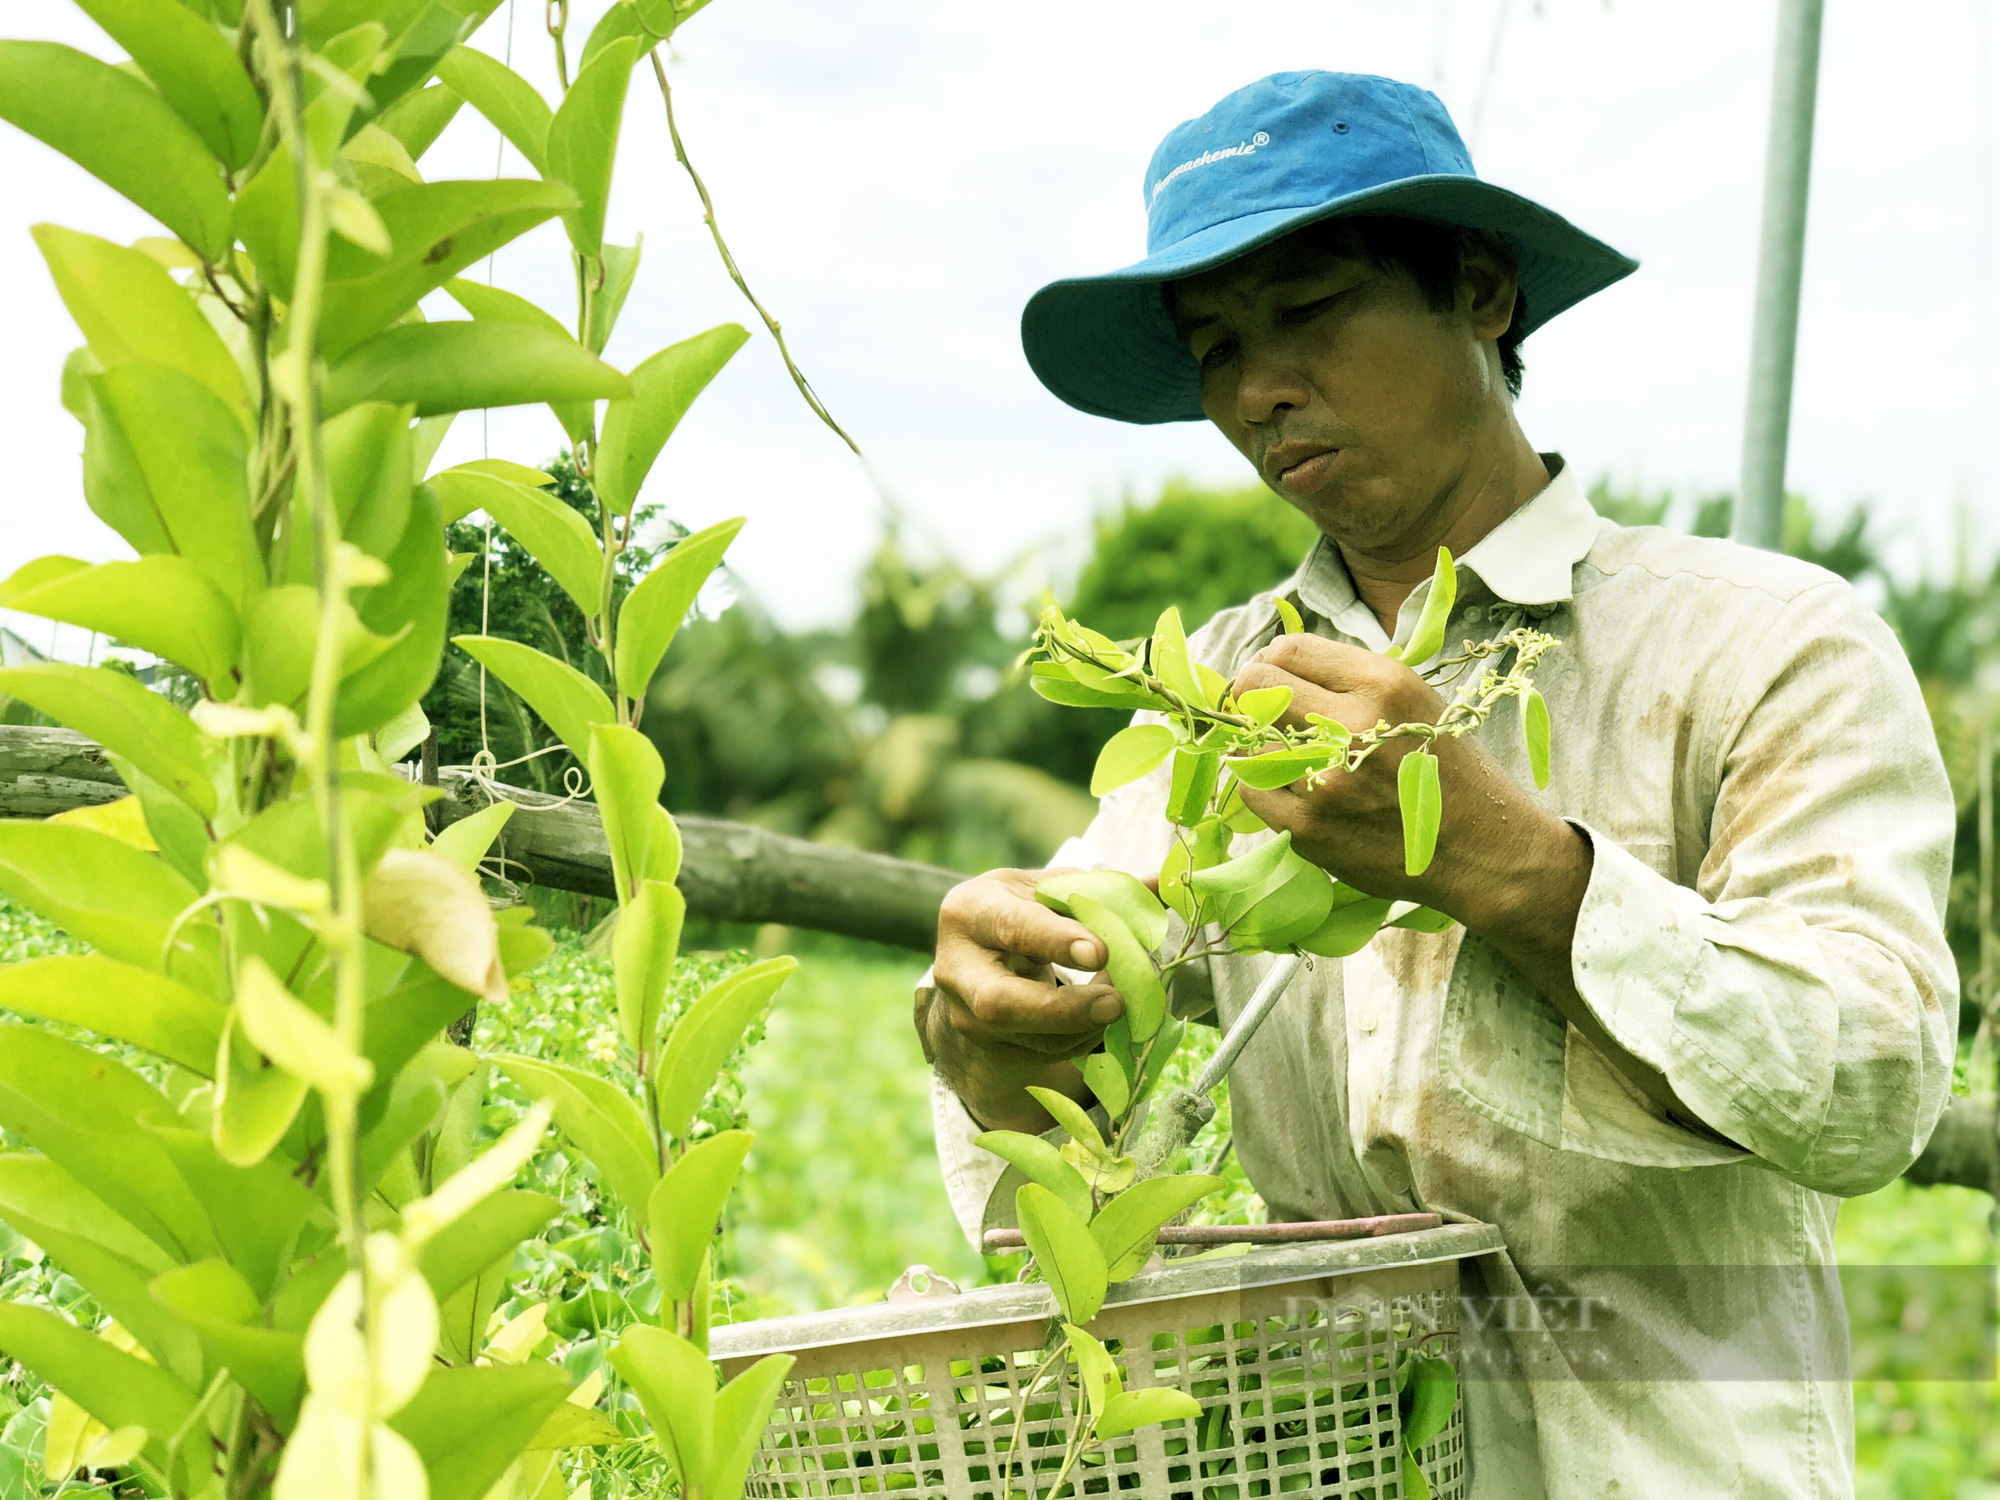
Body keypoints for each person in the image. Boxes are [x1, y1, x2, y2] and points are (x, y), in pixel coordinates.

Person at [914, 71, 1957, 1497]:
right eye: (1217, 345)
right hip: (1324, 1459)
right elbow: (1083, 1110)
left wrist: (1501, 859)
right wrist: (994, 1046)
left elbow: (1872, 1081)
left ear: (1480, 292)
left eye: (1311, 311)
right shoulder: (1214, 694)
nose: (1261, 388)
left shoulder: (1762, 642)